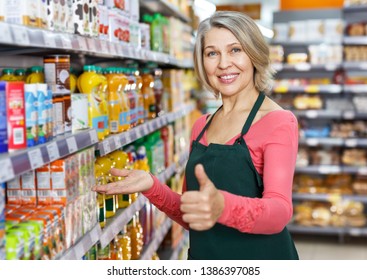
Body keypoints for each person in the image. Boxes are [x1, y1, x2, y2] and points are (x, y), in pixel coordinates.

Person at [93, 10, 299, 260]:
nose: (224, 63)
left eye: (235, 50)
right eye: (212, 53)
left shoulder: (277, 121)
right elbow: (192, 215)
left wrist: (221, 206)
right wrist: (151, 185)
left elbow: (279, 212)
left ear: (254, 54)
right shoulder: (201, 125)